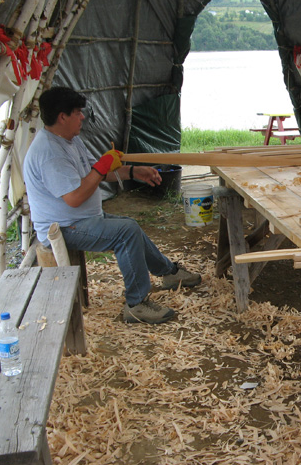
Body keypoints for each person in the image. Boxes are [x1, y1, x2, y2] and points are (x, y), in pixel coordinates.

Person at [23, 86, 201, 324]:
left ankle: (169, 273)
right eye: (77, 112)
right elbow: (75, 198)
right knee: (125, 233)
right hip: (62, 228)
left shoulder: (69, 141)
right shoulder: (49, 153)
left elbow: (95, 174)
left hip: (82, 220)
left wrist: (134, 171)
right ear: (62, 116)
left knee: (130, 226)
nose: (83, 117)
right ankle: (136, 305)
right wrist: (102, 165)